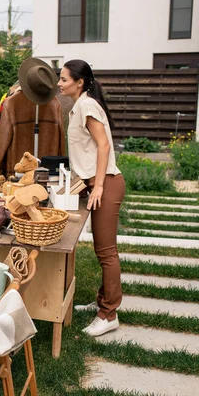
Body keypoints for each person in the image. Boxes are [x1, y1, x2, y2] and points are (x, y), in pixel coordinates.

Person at [58, 59, 126, 337]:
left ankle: (109, 314)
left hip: (107, 183)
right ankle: (102, 301)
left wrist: (97, 186)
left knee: (106, 252)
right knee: (103, 250)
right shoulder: (79, 106)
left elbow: (104, 145)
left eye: (63, 79)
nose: (59, 84)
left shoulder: (86, 105)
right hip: (96, 183)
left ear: (80, 82)